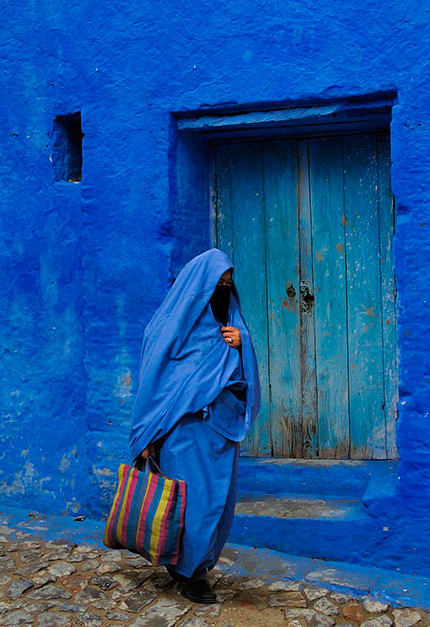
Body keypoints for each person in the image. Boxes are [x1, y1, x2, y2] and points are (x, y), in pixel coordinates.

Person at [128, 248, 261, 603]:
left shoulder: (230, 325)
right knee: (188, 504)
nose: (224, 291)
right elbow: (154, 385)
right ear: (197, 288)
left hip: (220, 430)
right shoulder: (166, 331)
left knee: (215, 504)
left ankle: (194, 567)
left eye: (229, 285)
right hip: (180, 434)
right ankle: (191, 573)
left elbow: (243, 378)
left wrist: (241, 345)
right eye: (217, 285)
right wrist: (146, 433)